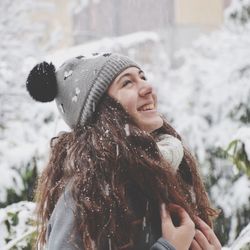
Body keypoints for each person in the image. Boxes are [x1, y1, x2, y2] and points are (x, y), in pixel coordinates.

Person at [26, 53, 222, 250]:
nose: (148, 87)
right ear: (101, 110)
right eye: (127, 83)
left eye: (142, 77)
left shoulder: (164, 174)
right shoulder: (85, 195)